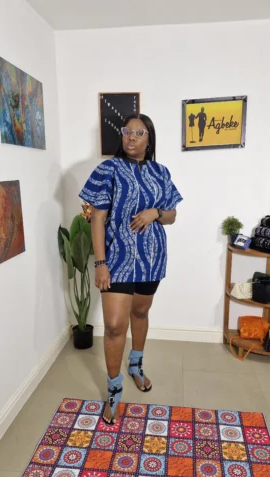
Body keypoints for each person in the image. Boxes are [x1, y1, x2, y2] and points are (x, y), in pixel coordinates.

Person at [79, 114, 183, 424]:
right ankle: (114, 388)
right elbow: (97, 219)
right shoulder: (107, 170)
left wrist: (155, 212)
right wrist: (100, 264)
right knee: (114, 326)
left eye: (139, 133)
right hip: (117, 258)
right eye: (128, 132)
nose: (132, 137)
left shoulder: (160, 172)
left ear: (149, 139)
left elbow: (172, 215)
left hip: (151, 258)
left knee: (140, 313)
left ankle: (136, 365)